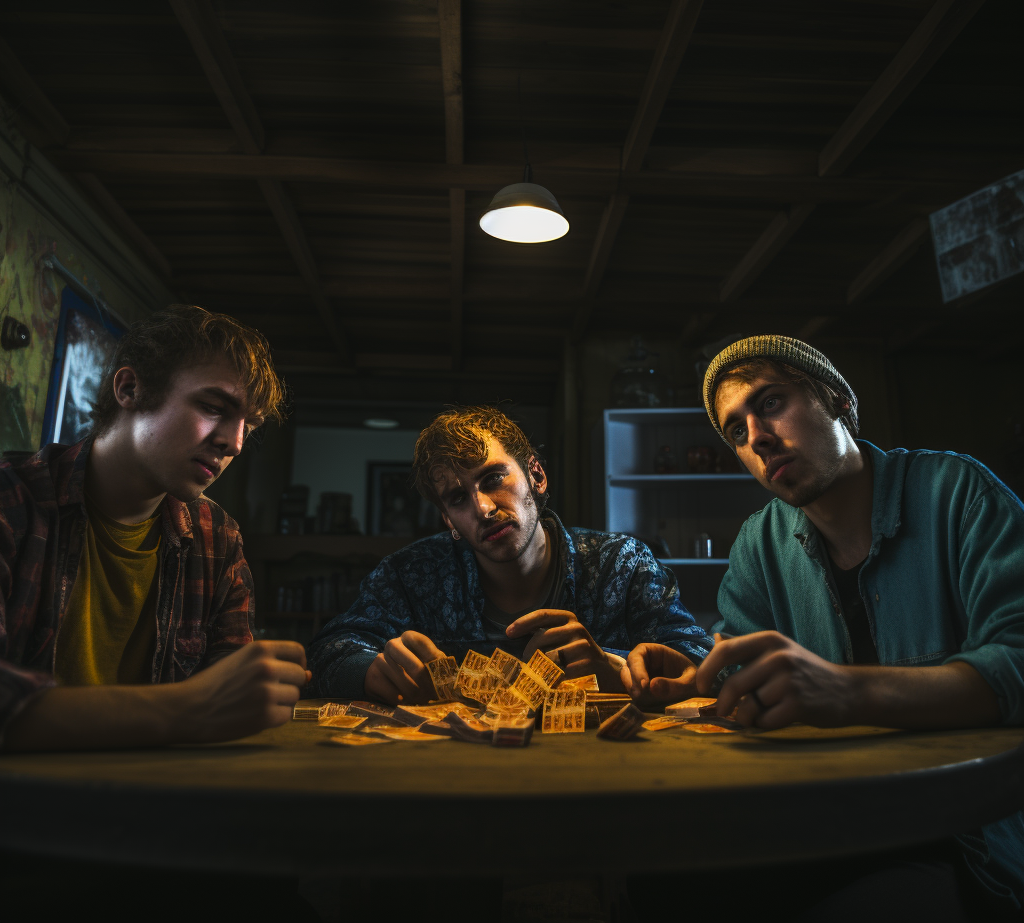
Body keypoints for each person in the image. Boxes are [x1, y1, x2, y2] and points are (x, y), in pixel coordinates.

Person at [622, 334, 1023, 918]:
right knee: (660, 884)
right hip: (826, 817)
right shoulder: (760, 543)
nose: (756, 437)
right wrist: (698, 677)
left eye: (771, 403)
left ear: (837, 400)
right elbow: (741, 664)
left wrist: (844, 689)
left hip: (965, 832)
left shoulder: (957, 494)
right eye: (736, 431)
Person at [0, 305, 309, 752]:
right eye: (213, 407)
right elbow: (208, 706)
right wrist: (188, 709)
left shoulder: (218, 538)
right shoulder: (12, 503)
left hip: (161, 806)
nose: (235, 443)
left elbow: (232, 702)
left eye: (249, 426)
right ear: (129, 388)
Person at [308, 406, 707, 703]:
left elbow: (703, 663)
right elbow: (330, 653)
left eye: (493, 478)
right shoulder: (410, 575)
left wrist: (611, 667)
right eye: (458, 498)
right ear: (448, 519)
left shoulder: (622, 564)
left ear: (536, 475)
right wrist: (371, 671)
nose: (483, 508)